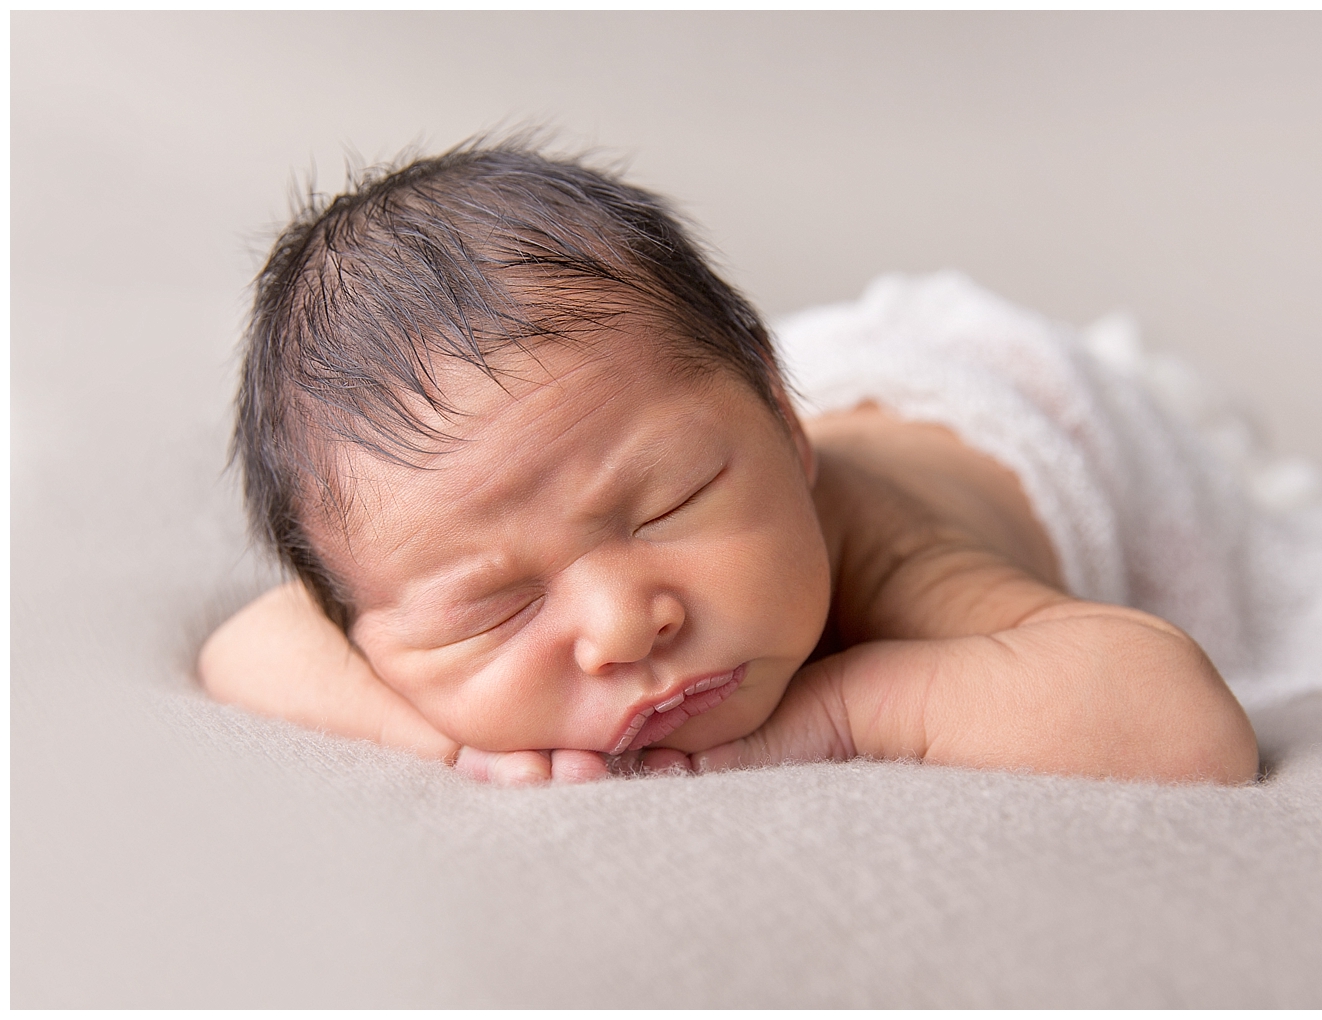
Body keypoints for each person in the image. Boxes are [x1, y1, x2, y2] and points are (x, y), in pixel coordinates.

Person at [198, 140, 1259, 787]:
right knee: (637, 390)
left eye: (667, 507)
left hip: (1010, 403)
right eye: (495, 609)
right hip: (692, 393)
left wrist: (837, 713)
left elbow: (1182, 725)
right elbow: (246, 649)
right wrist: (468, 746)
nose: (623, 624)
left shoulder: (892, 549)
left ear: (784, 434)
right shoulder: (435, 561)